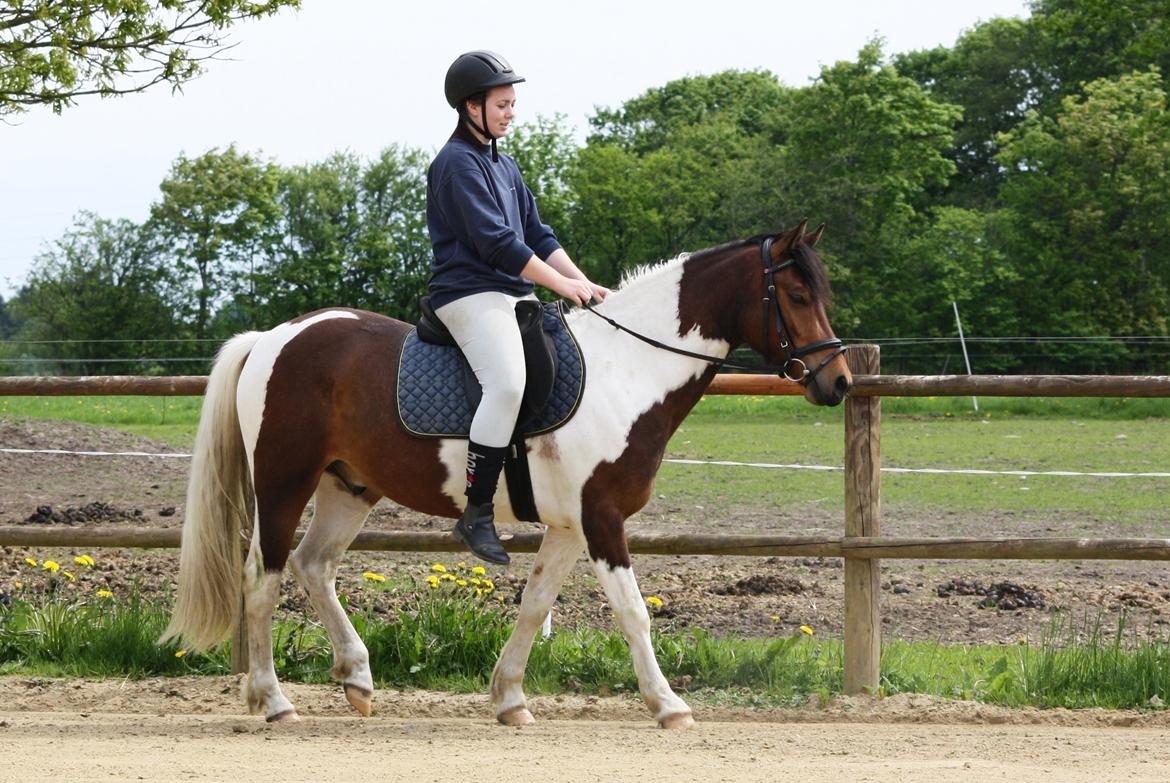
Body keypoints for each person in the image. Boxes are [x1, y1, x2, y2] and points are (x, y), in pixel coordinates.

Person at [427, 50, 609, 565]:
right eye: (502, 104)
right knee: (506, 383)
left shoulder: (503, 164)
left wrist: (585, 283)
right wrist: (559, 286)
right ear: (471, 106)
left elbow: (535, 234)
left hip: (514, 292)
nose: (511, 112)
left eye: (513, 104)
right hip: (469, 293)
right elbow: (498, 244)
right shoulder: (454, 164)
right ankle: (477, 512)